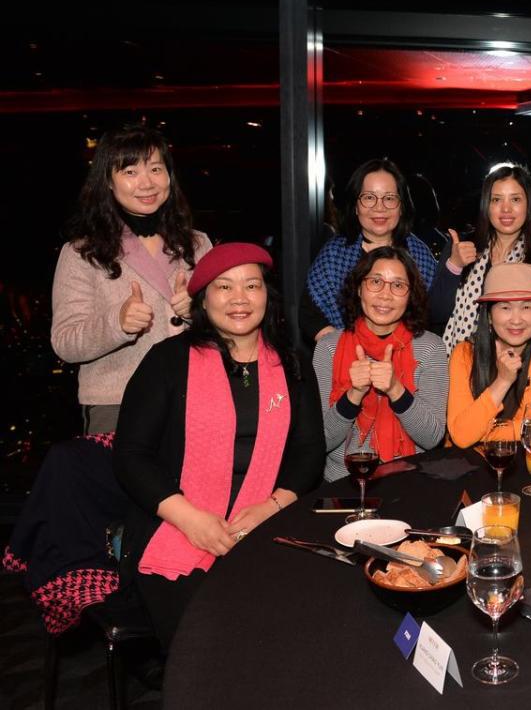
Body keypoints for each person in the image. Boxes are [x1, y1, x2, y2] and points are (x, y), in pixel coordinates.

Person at [112, 243, 324, 646]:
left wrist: (271, 507)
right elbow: (130, 456)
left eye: (252, 286)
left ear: (267, 296)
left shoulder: (292, 363)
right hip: (174, 525)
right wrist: (192, 520)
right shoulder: (167, 361)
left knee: (299, 625)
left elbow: (309, 451)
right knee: (210, 637)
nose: (239, 298)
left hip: (265, 523)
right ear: (203, 300)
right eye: (224, 287)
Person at [51, 124, 212, 434]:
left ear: (169, 176)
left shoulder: (197, 243)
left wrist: (199, 312)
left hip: (196, 394)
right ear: (108, 182)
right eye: (130, 172)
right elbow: (65, 342)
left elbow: (230, 326)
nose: (147, 183)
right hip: (118, 403)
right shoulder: (82, 252)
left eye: (155, 169)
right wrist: (118, 323)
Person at [312, 247, 448, 481]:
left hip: (409, 481)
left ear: (410, 295)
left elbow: (432, 438)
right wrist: (354, 394)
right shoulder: (329, 347)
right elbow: (319, 441)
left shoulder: (430, 347)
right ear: (359, 288)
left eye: (398, 285)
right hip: (343, 482)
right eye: (375, 282)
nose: (386, 295)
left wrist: (396, 389)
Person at [302, 158, 437, 343]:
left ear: (401, 207)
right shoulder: (334, 255)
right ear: (355, 206)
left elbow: (434, 316)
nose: (379, 207)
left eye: (389, 198)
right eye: (369, 198)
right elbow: (309, 314)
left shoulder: (420, 256)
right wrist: (341, 347)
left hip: (407, 355)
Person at [446, 263, 531, 447]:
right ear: (489, 315)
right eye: (505, 308)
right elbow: (461, 436)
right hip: (468, 461)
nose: (516, 320)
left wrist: (483, 432)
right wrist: (503, 381)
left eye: (526, 307)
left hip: (529, 459)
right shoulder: (465, 354)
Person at [430, 164, 531, 352]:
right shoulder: (462, 246)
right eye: (496, 199)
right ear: (486, 205)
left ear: (528, 205)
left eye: (515, 199)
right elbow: (434, 314)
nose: (506, 209)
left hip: (513, 362)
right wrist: (454, 266)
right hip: (456, 360)